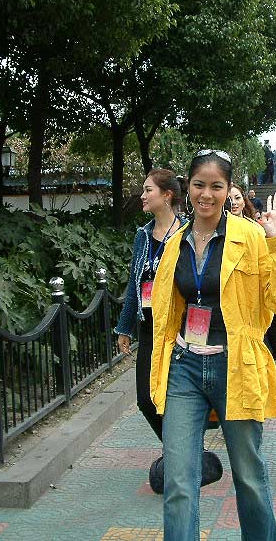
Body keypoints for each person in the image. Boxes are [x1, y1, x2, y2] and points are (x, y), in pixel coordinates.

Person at [150, 149, 276, 541]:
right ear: (188, 188)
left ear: (228, 189)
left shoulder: (251, 236)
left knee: (249, 477)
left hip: (234, 365)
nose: (207, 194)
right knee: (178, 481)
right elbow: (166, 310)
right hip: (184, 366)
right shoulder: (176, 243)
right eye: (199, 185)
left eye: (216, 186)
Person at [115, 170, 186, 450]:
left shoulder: (186, 233)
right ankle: (180, 449)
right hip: (149, 325)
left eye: (148, 190)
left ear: (167, 195)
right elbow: (134, 284)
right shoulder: (142, 236)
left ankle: (181, 453)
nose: (143, 196)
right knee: (146, 399)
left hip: (179, 328)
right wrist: (125, 327)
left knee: (176, 397)